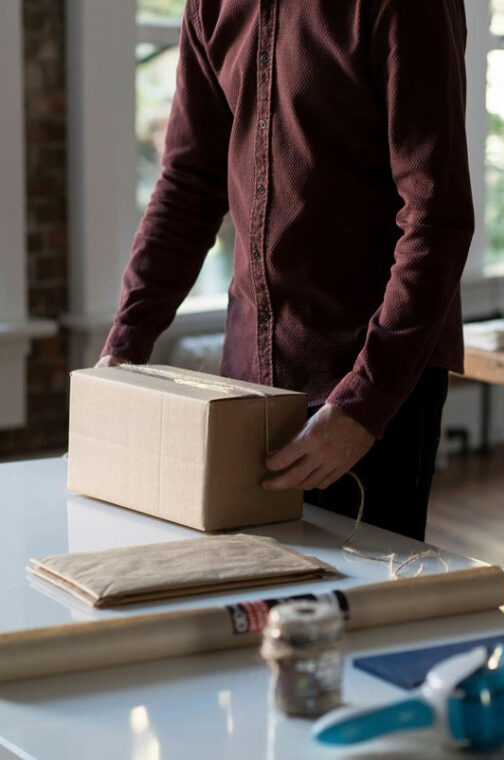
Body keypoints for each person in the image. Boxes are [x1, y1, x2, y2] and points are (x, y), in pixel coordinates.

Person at [98, 0, 474, 541]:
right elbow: (188, 187)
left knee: (358, 616)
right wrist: (124, 349)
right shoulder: (210, 6)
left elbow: (436, 219)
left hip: (369, 388)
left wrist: (363, 405)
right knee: (250, 608)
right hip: (245, 389)